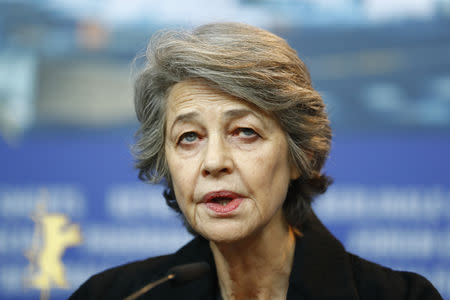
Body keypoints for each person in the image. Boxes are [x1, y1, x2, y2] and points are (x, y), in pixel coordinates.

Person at [69, 22, 442, 300]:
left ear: (301, 156)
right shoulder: (116, 295)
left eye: (245, 132)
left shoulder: (401, 296)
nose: (214, 162)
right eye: (190, 138)